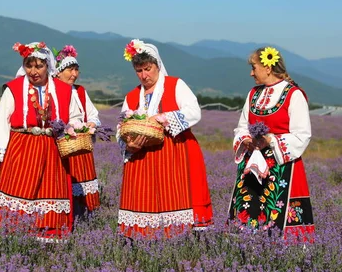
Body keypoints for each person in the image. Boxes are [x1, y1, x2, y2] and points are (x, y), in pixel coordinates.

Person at [0, 42, 83, 241]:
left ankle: (47, 237)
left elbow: (76, 117)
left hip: (52, 153)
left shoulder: (64, 90)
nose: (33, 71)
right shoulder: (14, 89)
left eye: (39, 66)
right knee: (17, 189)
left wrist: (75, 128)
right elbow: (1, 124)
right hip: (21, 150)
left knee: (49, 191)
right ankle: (11, 236)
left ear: (48, 66)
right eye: (29, 65)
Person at [117, 39, 213, 238]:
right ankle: (144, 241)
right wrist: (129, 143)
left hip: (174, 153)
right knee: (145, 199)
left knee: (175, 195)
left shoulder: (175, 85)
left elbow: (194, 112)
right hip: (141, 157)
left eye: (148, 69)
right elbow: (121, 128)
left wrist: (163, 118)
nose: (144, 75)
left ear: (157, 65)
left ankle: (180, 242)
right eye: (139, 71)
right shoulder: (132, 96)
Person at [228, 46, 314, 240]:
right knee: (248, 210)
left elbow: (302, 135)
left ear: (267, 68)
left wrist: (271, 141)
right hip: (252, 166)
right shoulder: (253, 95)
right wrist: (246, 139)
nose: (251, 73)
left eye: (254, 67)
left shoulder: (294, 94)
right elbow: (242, 126)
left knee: (278, 215)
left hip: (282, 167)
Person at [55, 45, 101, 217]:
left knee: (83, 186)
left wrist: (91, 124)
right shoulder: (52, 91)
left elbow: (93, 114)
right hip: (63, 146)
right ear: (59, 71)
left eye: (76, 70)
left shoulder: (80, 91)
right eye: (70, 70)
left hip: (80, 145)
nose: (74, 74)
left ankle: (84, 218)